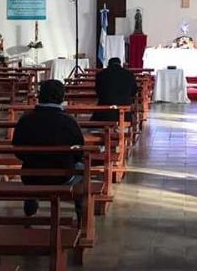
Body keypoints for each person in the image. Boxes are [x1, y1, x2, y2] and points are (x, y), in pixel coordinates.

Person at [13, 80, 85, 217]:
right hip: (63, 176)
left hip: (31, 176)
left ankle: (30, 202)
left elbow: (18, 150)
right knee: (82, 169)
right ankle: (81, 212)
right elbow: (79, 151)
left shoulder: (25, 119)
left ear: (40, 96)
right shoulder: (69, 121)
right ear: (62, 98)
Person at [91, 57, 138, 122]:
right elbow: (134, 91)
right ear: (120, 64)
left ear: (108, 65)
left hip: (104, 113)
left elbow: (98, 91)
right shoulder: (129, 74)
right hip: (125, 112)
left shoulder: (101, 74)